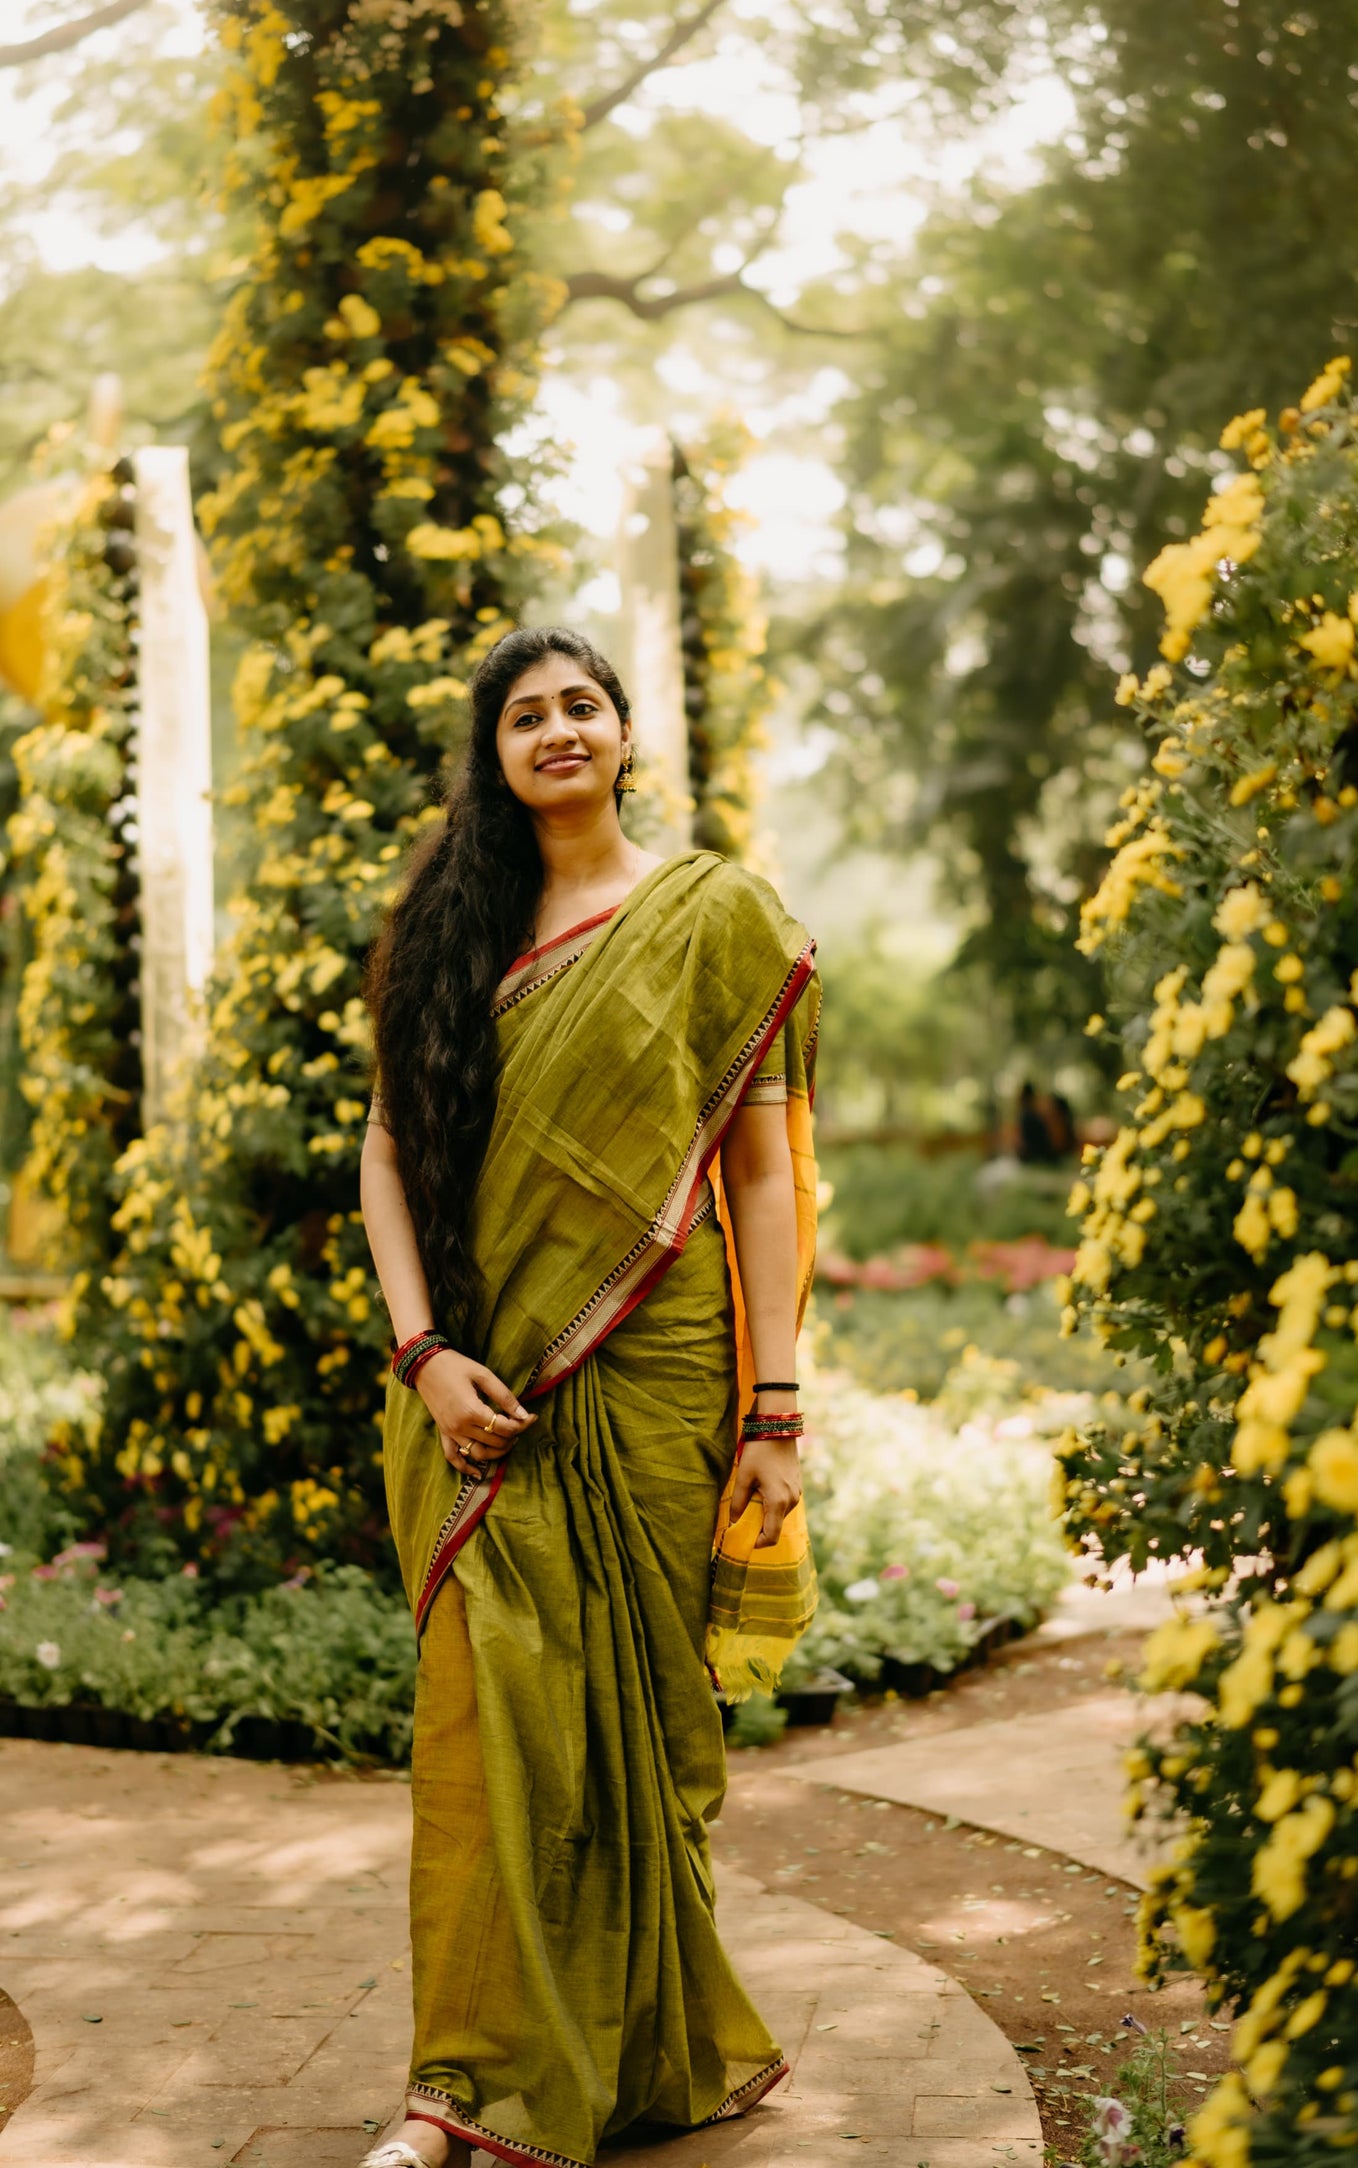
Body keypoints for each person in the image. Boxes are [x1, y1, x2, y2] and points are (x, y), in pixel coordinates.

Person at [357, 626, 822, 2168]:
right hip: (482, 1377)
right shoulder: (448, 930)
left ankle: (629, 2057)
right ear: (492, 755)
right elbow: (386, 1153)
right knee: (489, 1726)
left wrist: (774, 1410)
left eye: (581, 705)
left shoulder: (711, 913)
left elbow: (758, 1173)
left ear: (626, 736)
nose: (557, 729)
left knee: (638, 1732)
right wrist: (422, 1354)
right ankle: (462, 2090)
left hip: (665, 1368)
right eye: (524, 715)